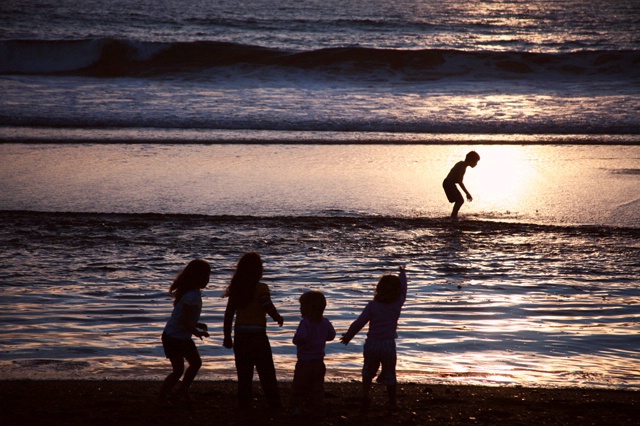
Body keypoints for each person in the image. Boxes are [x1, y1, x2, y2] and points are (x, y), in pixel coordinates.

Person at [340, 266, 408, 411]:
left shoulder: (372, 305)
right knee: (390, 372)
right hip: (388, 345)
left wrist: (348, 336)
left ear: (378, 288)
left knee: (368, 370)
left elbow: (359, 322)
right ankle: (392, 401)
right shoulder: (397, 304)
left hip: (372, 344)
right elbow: (404, 290)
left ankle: (365, 395)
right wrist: (402, 273)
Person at [223, 252, 284, 410]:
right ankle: (274, 403)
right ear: (258, 271)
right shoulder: (262, 288)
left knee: (244, 372)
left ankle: (244, 404)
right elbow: (266, 304)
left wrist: (227, 336)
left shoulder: (236, 289)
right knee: (266, 371)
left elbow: (229, 314)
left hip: (240, 334)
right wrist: (277, 317)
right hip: (258, 334)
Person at [158, 259, 211, 406]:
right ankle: (162, 397)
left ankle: (181, 390)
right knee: (179, 370)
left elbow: (185, 317)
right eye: (206, 276)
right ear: (198, 277)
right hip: (173, 337)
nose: (208, 280)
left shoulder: (192, 293)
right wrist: (197, 332)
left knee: (195, 363)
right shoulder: (191, 296)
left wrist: (197, 324)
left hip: (178, 336)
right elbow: (184, 320)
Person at [290, 291, 336, 417]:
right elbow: (332, 335)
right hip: (318, 361)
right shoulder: (325, 322)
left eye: (302, 306)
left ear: (308, 308)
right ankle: (318, 408)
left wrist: (297, 341)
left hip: (304, 361)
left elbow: (301, 337)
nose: (300, 309)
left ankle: (297, 407)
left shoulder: (305, 322)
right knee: (317, 386)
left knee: (299, 385)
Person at [443, 151, 480, 219]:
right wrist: (467, 193)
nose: (476, 164)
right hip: (448, 183)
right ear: (470, 161)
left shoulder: (462, 164)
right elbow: (460, 181)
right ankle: (453, 216)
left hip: (448, 183)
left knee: (459, 200)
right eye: (475, 162)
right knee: (460, 200)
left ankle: (453, 215)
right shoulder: (462, 166)